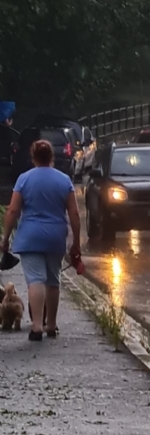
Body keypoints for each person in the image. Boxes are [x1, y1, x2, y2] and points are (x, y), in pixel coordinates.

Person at [0, 139, 81, 341]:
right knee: (53, 280)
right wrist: (76, 242)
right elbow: (74, 213)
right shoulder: (64, 180)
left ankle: (36, 327)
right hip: (55, 237)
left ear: (33, 156)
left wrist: (5, 237)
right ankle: (51, 325)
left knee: (35, 280)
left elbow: (12, 210)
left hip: (30, 236)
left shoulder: (24, 179)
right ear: (51, 156)